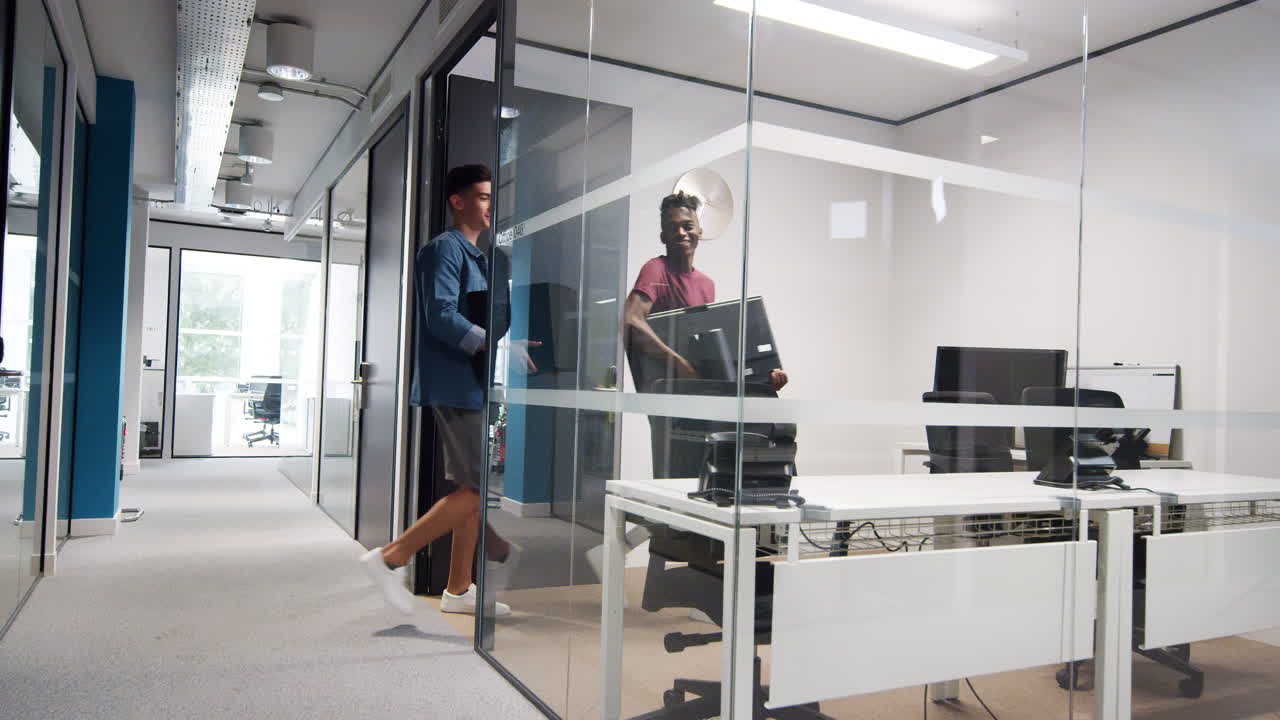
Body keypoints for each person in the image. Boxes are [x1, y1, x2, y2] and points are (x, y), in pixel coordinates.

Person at [359, 164, 529, 617]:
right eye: (483, 196)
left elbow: (485, 321)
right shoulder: (444, 250)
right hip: (453, 382)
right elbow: (441, 315)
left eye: (492, 197)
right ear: (458, 201)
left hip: (473, 382)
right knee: (474, 489)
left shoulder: (481, 257)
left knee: (471, 490)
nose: (491, 205)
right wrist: (489, 344)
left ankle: (458, 589)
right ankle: (390, 558)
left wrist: (503, 345)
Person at [623, 190, 787, 395]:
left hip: (698, 389)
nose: (681, 232)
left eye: (688, 226)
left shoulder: (707, 284)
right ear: (663, 237)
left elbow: (709, 350)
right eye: (673, 227)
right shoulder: (655, 269)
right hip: (667, 392)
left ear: (699, 231)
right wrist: (681, 366)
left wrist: (765, 376)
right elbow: (630, 321)